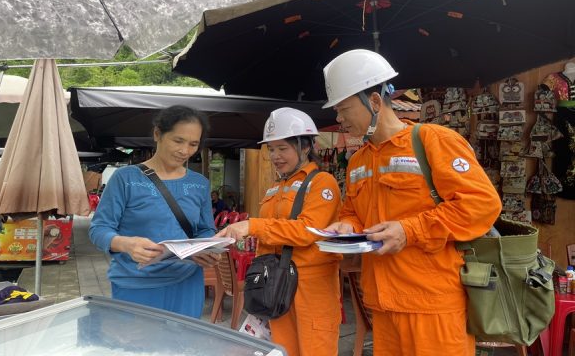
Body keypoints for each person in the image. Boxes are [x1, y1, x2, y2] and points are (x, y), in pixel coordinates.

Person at [320, 49, 502, 356]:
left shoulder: (434, 141)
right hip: (381, 302)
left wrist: (410, 231)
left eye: (343, 109)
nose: (338, 119)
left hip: (433, 306)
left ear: (375, 102)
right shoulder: (357, 162)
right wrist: (344, 226)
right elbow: (353, 213)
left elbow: (481, 204)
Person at [215, 107, 342, 356]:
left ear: (306, 146)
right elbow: (271, 231)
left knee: (315, 349)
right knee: (281, 350)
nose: (275, 156)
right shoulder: (275, 186)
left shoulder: (321, 182)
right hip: (275, 284)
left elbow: (308, 230)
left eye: (283, 148)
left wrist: (252, 226)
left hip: (310, 288)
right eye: (271, 149)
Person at [89, 105, 220, 318]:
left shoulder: (200, 184)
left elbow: (205, 230)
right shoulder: (126, 178)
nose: (185, 151)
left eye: (193, 144)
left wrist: (207, 249)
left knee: (182, 349)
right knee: (139, 350)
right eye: (178, 141)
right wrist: (126, 244)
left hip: (187, 283)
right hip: (136, 284)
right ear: (157, 134)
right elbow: (99, 229)